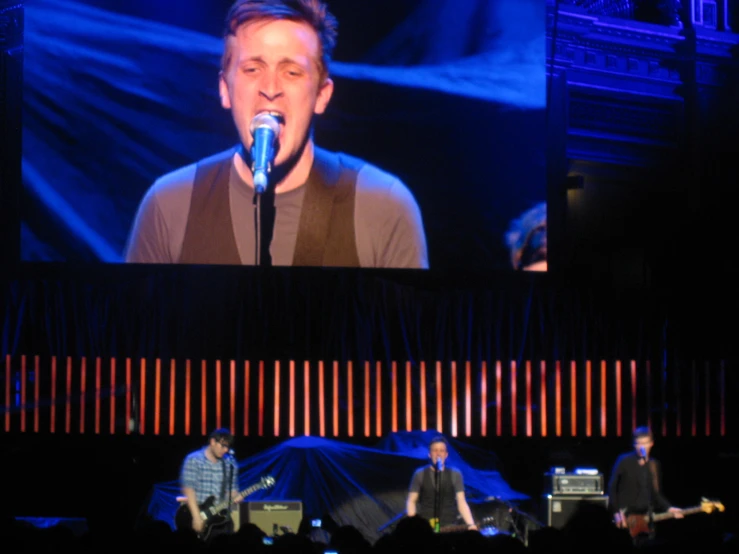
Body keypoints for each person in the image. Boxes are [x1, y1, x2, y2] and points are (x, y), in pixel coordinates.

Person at [124, 0, 428, 269]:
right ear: (224, 89)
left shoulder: (383, 205)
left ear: (322, 94)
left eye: (291, 72)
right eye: (252, 69)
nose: (270, 89)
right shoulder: (169, 204)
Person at [608, 426, 683, 543]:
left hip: (646, 517)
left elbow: (655, 493)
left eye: (645, 443)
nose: (642, 447)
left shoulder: (654, 465)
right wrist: (616, 512)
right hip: (627, 517)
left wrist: (668, 507)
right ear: (634, 445)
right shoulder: (624, 460)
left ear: (651, 443)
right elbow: (612, 487)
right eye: (639, 443)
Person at [405, 435, 478, 531]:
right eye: (435, 450)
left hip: (449, 525)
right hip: (426, 526)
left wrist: (471, 524)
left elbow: (461, 501)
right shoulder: (420, 474)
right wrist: (414, 524)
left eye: (441, 450)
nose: (438, 453)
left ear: (446, 454)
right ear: (429, 454)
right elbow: (411, 501)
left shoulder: (455, 474)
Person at [179, 428, 241, 538]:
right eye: (223, 446)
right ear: (212, 442)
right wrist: (197, 517)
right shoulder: (194, 460)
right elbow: (189, 490)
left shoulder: (229, 464)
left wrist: (235, 496)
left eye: (228, 447)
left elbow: (231, 491)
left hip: (219, 517)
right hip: (195, 513)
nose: (226, 450)